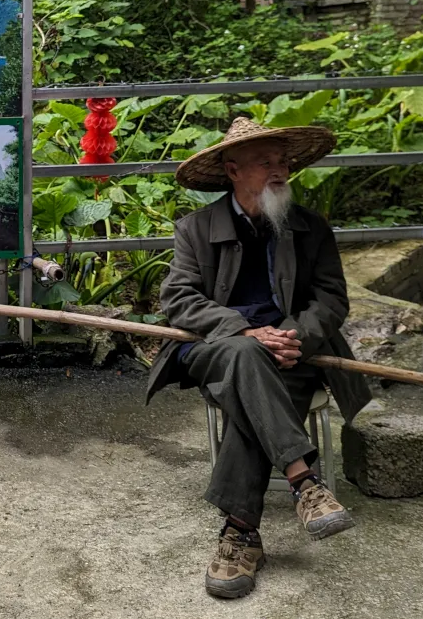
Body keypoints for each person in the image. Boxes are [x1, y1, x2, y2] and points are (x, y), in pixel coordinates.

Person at [148, 117, 371, 600]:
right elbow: (180, 300)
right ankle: (304, 480)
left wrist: (295, 335)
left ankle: (240, 534)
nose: (279, 170)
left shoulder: (310, 227)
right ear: (232, 170)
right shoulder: (196, 228)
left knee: (256, 382)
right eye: (265, 162)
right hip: (215, 345)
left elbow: (331, 300)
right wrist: (245, 328)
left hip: (292, 352)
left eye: (284, 161)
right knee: (247, 353)